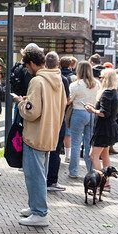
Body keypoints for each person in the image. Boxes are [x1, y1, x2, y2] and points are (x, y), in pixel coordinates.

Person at [15, 48, 65, 226]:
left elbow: (32, 112)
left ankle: (39, 212)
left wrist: (21, 103)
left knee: (34, 175)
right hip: (50, 132)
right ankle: (35, 206)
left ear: (33, 63)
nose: (27, 69)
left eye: (27, 66)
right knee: (40, 174)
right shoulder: (57, 78)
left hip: (35, 134)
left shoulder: (37, 81)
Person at [85, 68, 118, 189]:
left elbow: (104, 113)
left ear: (105, 79)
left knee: (93, 155)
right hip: (110, 128)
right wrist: (94, 108)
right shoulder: (114, 92)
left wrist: (93, 110)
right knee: (105, 155)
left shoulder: (106, 93)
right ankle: (106, 183)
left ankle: (101, 180)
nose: (99, 79)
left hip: (103, 129)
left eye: (101, 77)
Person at [67, 61, 99, 177]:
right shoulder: (96, 84)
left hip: (78, 112)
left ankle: (74, 171)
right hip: (92, 113)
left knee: (75, 143)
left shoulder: (75, 85)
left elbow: (69, 100)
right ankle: (91, 171)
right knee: (89, 144)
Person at [46, 52, 70, 192]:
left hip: (43, 120)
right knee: (55, 152)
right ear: (58, 63)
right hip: (58, 119)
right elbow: (66, 101)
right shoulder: (63, 80)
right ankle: (52, 181)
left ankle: (42, 179)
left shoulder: (39, 78)